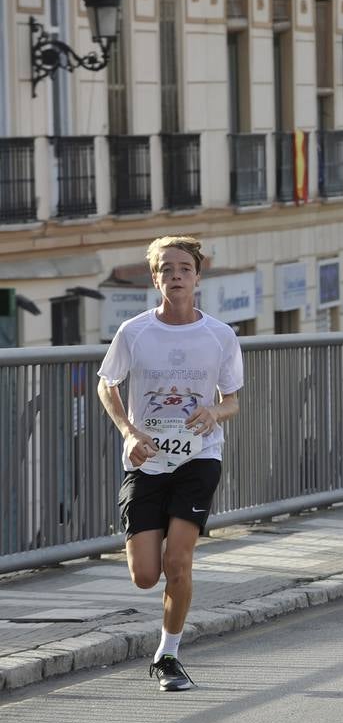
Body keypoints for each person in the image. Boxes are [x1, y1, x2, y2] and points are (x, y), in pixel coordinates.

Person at [95, 235, 244, 692]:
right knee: (145, 575)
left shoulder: (220, 334)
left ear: (198, 277)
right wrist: (129, 431)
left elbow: (232, 400)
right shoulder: (134, 331)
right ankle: (165, 637)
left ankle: (168, 655)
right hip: (146, 460)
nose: (175, 276)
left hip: (199, 458)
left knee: (178, 562)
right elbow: (106, 384)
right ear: (155, 278)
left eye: (184, 269)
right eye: (166, 269)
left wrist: (213, 412)